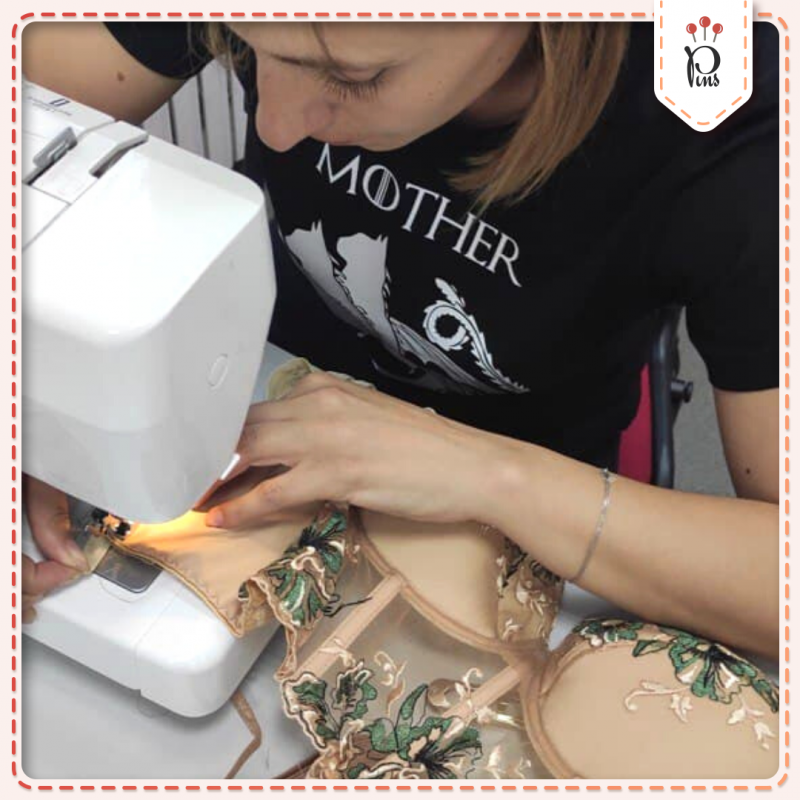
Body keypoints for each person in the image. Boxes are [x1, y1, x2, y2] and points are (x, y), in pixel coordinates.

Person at [21, 20, 780, 660]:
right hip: (258, 389)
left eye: (352, 77)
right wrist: (45, 397)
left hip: (520, 506)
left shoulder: (728, 108)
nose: (272, 125)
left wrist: (492, 474)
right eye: (242, 44)